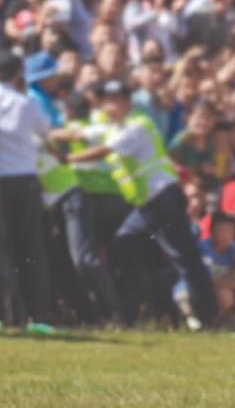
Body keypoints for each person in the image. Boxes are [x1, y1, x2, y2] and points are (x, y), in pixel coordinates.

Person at [58, 78, 219, 327]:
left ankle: (208, 315)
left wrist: (66, 158)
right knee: (123, 245)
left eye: (113, 101)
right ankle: (134, 309)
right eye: (105, 102)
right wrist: (44, 133)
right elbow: (80, 132)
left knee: (184, 257)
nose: (107, 107)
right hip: (147, 205)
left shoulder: (138, 125)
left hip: (162, 199)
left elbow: (106, 150)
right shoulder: (116, 126)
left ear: (125, 102)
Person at [0, 49, 54, 327]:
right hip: (25, 179)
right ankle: (38, 314)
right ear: (18, 74)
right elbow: (46, 131)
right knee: (31, 247)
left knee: (3, 248)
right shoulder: (25, 103)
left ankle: (8, 314)